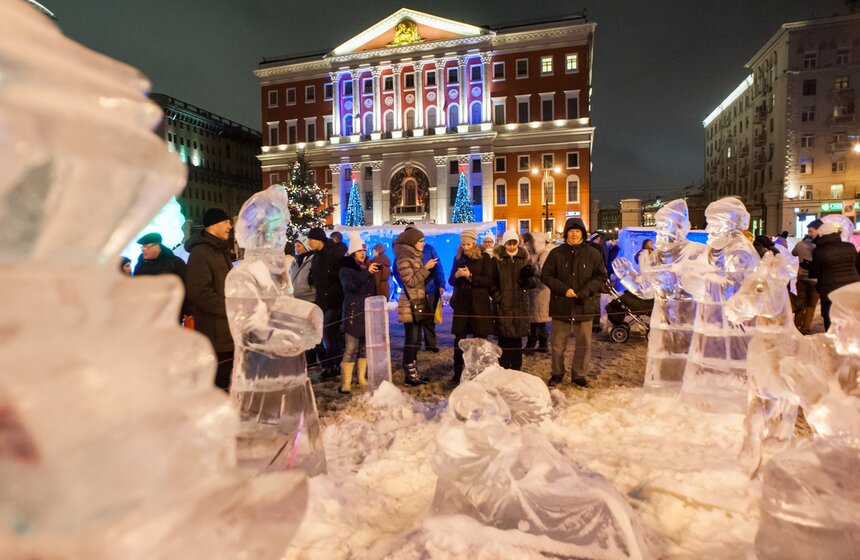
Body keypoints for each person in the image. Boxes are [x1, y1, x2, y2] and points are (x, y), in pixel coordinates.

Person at [541, 218, 607, 388]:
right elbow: (546, 275)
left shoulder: (593, 253)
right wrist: (563, 289)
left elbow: (601, 277)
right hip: (561, 304)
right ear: (566, 234)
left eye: (577, 231)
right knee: (557, 344)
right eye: (571, 231)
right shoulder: (556, 253)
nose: (574, 234)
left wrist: (585, 292)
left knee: (584, 344)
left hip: (584, 304)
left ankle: (579, 375)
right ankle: (557, 373)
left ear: (583, 234)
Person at [185, 208, 234, 391]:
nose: (230, 226)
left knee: (228, 378)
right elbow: (200, 293)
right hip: (215, 332)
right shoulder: (201, 253)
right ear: (213, 226)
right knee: (218, 381)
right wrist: (228, 308)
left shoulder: (220, 250)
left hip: (227, 330)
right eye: (226, 222)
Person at [448, 228, 499, 385]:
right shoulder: (458, 258)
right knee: (459, 340)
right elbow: (451, 280)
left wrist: (471, 276)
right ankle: (458, 372)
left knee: (481, 340)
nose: (466, 247)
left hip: (479, 304)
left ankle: (482, 371)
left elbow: (488, 280)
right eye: (463, 244)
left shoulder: (484, 258)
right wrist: (457, 276)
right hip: (462, 304)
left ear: (474, 242)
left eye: (468, 244)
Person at [393, 227, 435, 386]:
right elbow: (410, 281)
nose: (423, 244)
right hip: (409, 305)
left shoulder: (415, 256)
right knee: (412, 339)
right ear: (412, 242)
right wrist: (426, 268)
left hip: (417, 302)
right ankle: (410, 376)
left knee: (416, 340)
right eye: (421, 241)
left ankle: (414, 373)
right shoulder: (404, 259)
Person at [338, 233, 379, 394]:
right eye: (359, 251)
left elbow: (372, 289)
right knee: (351, 348)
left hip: (367, 311)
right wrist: (367, 273)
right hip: (353, 311)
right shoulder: (346, 269)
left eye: (364, 251)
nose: (363, 253)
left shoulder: (367, 266)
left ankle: (361, 377)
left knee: (364, 348)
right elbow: (351, 286)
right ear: (353, 253)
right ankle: (346, 382)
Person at [493, 229, 539, 370]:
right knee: (504, 339)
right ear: (505, 244)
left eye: (514, 243)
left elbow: (535, 279)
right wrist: (498, 296)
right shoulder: (498, 260)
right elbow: (492, 282)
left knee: (517, 340)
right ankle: (504, 367)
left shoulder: (524, 259)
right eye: (509, 243)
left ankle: (516, 368)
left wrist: (527, 280)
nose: (512, 246)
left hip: (519, 304)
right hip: (504, 304)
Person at [307, 226, 347, 379]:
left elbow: (341, 269)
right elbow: (315, 274)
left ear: (319, 240)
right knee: (324, 334)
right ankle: (330, 365)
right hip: (322, 300)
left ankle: (333, 366)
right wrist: (312, 278)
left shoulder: (333, 252)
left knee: (329, 333)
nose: (309, 242)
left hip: (334, 299)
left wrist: (332, 278)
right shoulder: (316, 256)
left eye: (311, 239)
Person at [809, 221, 860, 331]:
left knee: (830, 317)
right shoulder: (850, 247)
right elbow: (856, 265)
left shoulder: (819, 250)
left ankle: (834, 342)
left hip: (830, 288)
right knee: (850, 316)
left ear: (821, 235)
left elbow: (814, 272)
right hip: (852, 286)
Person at [522, 231, 551, 353]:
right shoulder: (533, 253)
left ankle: (531, 344)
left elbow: (543, 271)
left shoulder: (544, 253)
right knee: (538, 319)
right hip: (534, 289)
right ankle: (542, 344)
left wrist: (531, 269)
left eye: (530, 241)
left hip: (540, 290)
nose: (528, 244)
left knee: (536, 319)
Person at [419, 238, 445, 352]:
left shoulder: (429, 249)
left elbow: (438, 268)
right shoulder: (407, 251)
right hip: (414, 291)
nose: (422, 243)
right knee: (416, 320)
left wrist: (441, 284)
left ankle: (430, 344)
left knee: (429, 319)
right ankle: (415, 344)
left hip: (429, 290)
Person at [792, 232, 818, 334]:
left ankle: (796, 326)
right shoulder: (818, 246)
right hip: (814, 280)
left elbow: (793, 253)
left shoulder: (800, 244)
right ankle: (805, 328)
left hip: (802, 278)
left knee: (800, 303)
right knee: (811, 306)